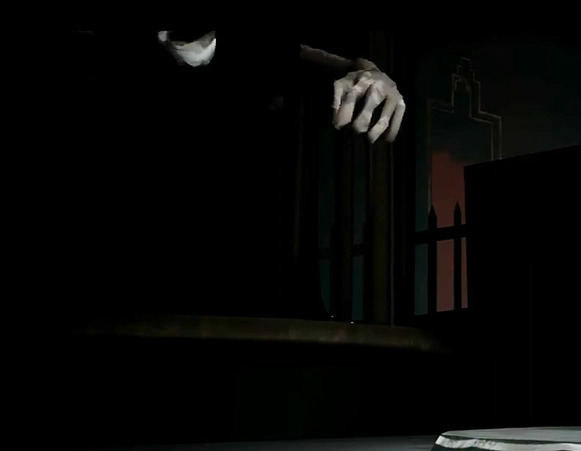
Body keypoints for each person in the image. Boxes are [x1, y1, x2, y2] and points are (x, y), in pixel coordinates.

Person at [54, 30, 407, 319]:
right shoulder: (99, 58)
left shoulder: (258, 52)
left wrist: (373, 74)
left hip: (261, 322)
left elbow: (333, 64)